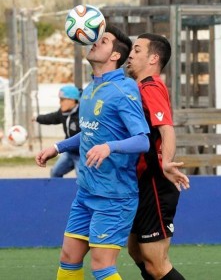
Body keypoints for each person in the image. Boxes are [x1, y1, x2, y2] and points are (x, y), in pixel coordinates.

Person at [35, 24, 150, 280]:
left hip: (114, 195)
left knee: (102, 266)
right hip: (86, 191)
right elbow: (91, 132)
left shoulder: (123, 89)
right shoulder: (90, 89)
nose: (95, 42)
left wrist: (110, 147)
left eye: (104, 40)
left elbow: (143, 140)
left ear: (115, 55)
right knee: (68, 258)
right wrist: (57, 147)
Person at [126, 33, 190, 280]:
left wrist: (166, 163)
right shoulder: (140, 87)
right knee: (136, 252)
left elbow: (167, 129)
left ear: (153, 58)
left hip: (156, 180)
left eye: (138, 50)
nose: (130, 54)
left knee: (156, 263)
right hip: (142, 181)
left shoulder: (151, 87)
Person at [34, 85, 80, 177]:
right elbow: (51, 118)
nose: (60, 103)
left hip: (82, 155)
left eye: (62, 100)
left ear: (72, 100)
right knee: (55, 173)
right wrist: (37, 118)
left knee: (83, 182)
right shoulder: (63, 113)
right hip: (69, 153)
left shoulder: (83, 114)